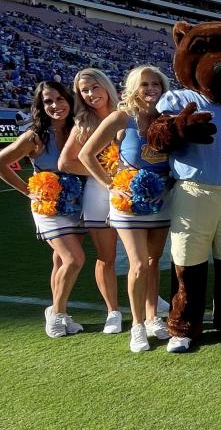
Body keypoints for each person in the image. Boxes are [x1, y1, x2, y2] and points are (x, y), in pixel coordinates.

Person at [79, 66, 173, 352]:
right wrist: (110, 185)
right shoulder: (122, 117)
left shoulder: (167, 119)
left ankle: (153, 316)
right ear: (134, 87)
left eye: (156, 83)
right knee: (138, 263)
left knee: (155, 262)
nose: (151, 88)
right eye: (145, 84)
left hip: (161, 199)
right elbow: (86, 155)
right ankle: (137, 326)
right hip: (128, 200)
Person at [0, 81, 86, 337]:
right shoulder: (35, 137)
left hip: (75, 204)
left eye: (60, 99)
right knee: (74, 259)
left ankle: (61, 312)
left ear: (69, 101)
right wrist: (28, 190)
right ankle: (56, 313)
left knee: (60, 260)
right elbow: (2, 163)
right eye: (48, 101)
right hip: (48, 207)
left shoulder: (79, 130)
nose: (55, 105)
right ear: (40, 106)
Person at [58, 68, 123, 334]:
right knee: (106, 257)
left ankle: (150, 303)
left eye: (95, 87)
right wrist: (107, 172)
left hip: (132, 191)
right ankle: (113, 312)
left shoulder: (127, 113)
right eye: (84, 91)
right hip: (99, 195)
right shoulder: (83, 124)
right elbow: (66, 162)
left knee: (142, 256)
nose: (90, 94)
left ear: (106, 85)